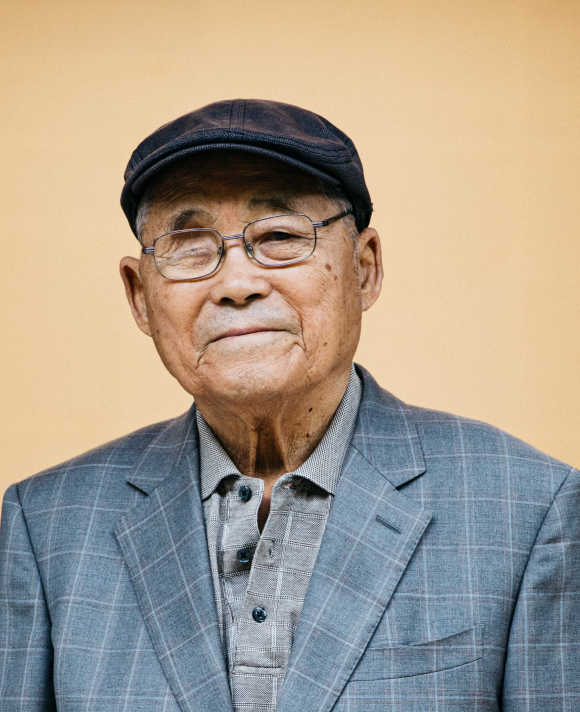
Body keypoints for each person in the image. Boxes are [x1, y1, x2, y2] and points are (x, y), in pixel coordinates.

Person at [0, 99, 578, 712]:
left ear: (364, 269)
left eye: (279, 236)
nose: (236, 283)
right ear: (139, 296)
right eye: (189, 244)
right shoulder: (47, 526)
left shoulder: (528, 509)